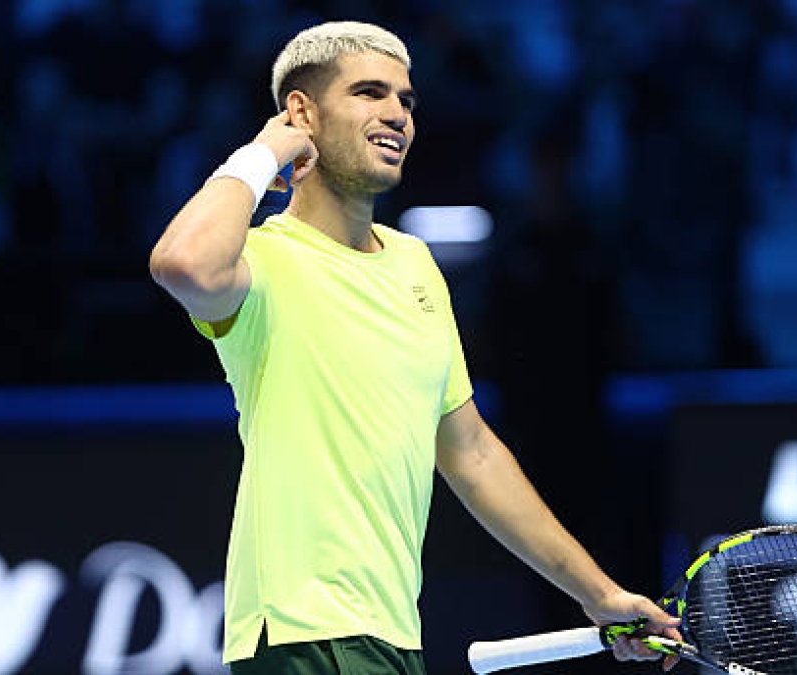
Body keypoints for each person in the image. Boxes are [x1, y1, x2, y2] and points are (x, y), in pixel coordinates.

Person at [149, 21, 680, 674]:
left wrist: (600, 594)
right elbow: (182, 263)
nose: (397, 114)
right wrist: (265, 150)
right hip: (303, 636)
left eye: (406, 100)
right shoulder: (263, 264)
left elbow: (473, 453)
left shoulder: (416, 265)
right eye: (370, 93)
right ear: (301, 113)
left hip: (393, 637)